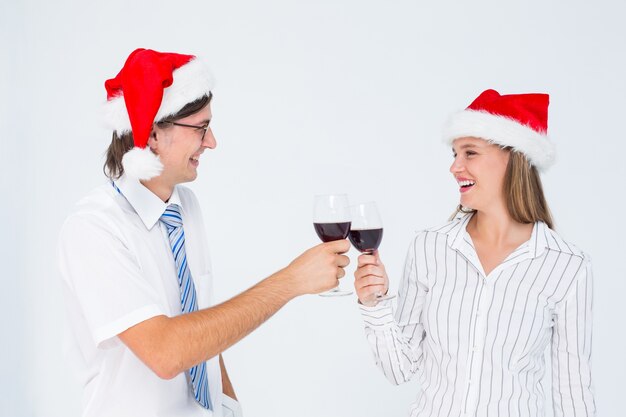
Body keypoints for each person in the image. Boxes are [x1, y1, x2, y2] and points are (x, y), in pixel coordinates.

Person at [58, 48, 350, 417]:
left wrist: (230, 407)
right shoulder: (94, 229)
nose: (212, 142)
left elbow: (200, 319)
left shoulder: (185, 208)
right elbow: (166, 353)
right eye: (200, 127)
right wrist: (291, 281)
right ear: (151, 135)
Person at [354, 89, 595, 417]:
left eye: (470, 153)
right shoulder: (431, 248)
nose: (455, 167)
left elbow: (572, 392)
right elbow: (400, 370)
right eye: (454, 154)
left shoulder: (566, 266)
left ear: (514, 156)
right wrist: (375, 304)